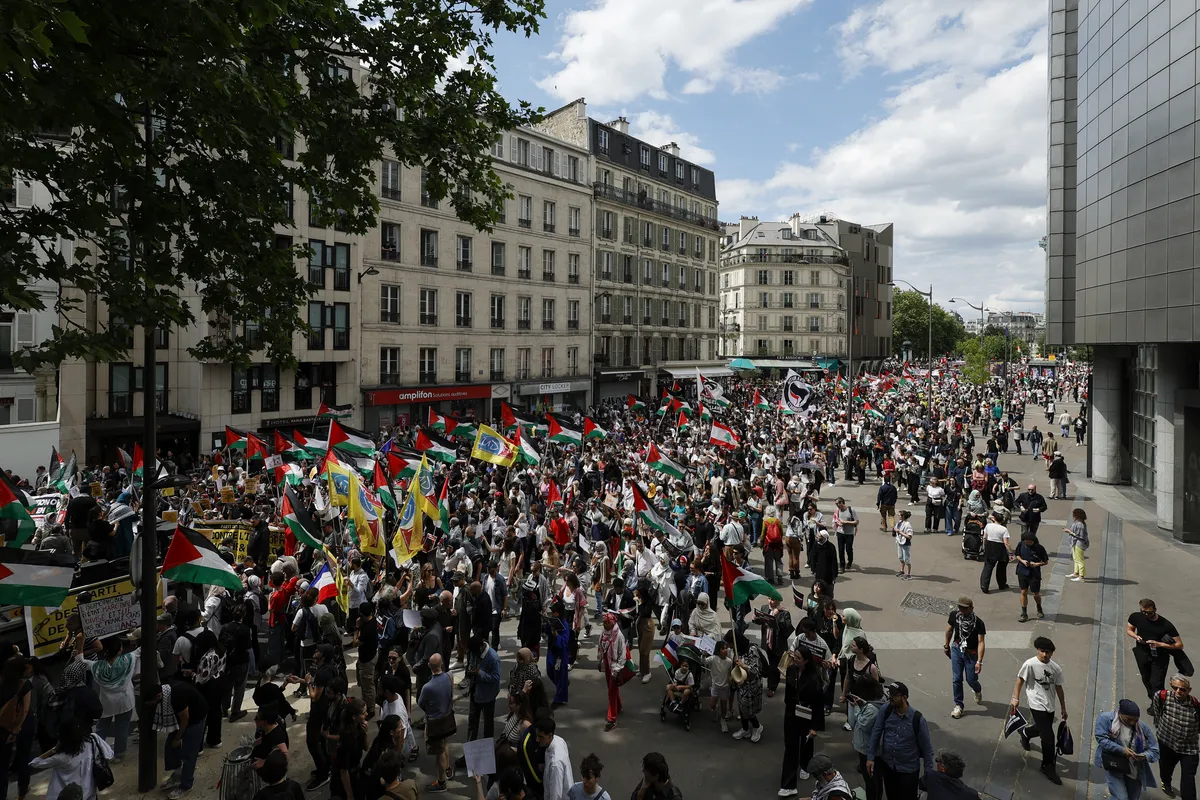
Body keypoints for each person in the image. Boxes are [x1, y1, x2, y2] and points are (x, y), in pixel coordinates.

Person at [1009, 636, 1068, 785]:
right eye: (1042, 651)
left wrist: (1063, 707)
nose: (1045, 655)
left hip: (1050, 705)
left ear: (1052, 653)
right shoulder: (1030, 664)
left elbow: (1059, 688)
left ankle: (1025, 733)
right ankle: (1047, 766)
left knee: (1042, 729)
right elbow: (1020, 680)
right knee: (1048, 737)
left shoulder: (1055, 668)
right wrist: (1015, 698)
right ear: (1038, 650)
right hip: (1036, 704)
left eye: (1048, 652)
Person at [865, 681, 934, 800]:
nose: (890, 697)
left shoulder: (917, 719)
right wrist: (870, 757)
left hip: (909, 771)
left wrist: (929, 774)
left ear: (904, 698)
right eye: (889, 693)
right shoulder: (886, 710)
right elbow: (876, 732)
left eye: (894, 695)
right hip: (889, 766)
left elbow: (927, 749)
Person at [28, 717, 111, 800]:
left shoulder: (62, 758)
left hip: (67, 796)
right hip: (89, 792)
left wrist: (54, 750)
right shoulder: (93, 739)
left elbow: (34, 763)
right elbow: (109, 754)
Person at [778, 646, 824, 796]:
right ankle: (788, 785)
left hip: (807, 715)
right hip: (791, 714)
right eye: (794, 656)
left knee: (806, 744)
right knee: (790, 748)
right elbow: (788, 693)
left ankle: (805, 765)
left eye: (798, 658)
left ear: (805, 660)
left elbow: (818, 704)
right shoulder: (791, 670)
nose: (794, 659)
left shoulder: (814, 678)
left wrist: (815, 727)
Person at [1095, 699, 1160, 800]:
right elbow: (1102, 739)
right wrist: (1122, 750)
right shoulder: (1106, 719)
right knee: (1121, 797)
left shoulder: (1142, 727)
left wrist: (1144, 756)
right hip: (1115, 764)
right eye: (1129, 719)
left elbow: (1155, 750)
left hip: (1134, 769)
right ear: (1120, 713)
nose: (1133, 722)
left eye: (1135, 720)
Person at [157, 679, 208, 800]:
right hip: (180, 718)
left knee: (189, 754)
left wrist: (178, 737)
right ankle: (177, 774)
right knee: (170, 746)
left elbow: (185, 718)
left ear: (158, 696)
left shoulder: (176, 696)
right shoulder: (165, 692)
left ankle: (186, 785)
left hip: (196, 717)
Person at [1150, 675, 1199, 800]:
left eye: (1182, 689)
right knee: (1166, 767)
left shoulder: (1195, 706)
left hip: (1188, 747)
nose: (1178, 691)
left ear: (1189, 690)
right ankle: (1166, 783)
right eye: (1175, 688)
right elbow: (1157, 713)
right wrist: (1160, 727)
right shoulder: (1162, 697)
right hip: (1166, 742)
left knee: (1188, 778)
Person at [1127, 599, 1185, 701]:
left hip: (1159, 657)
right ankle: (1153, 700)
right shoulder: (1135, 617)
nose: (1146, 615)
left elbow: (1179, 645)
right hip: (1142, 653)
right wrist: (1136, 637)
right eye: (1143, 612)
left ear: (1155, 610)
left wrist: (1160, 644)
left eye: (1149, 613)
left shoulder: (1165, 625)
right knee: (1146, 679)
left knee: (1156, 683)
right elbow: (1129, 630)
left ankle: (1159, 704)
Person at [418, 653, 455, 794]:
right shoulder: (449, 676)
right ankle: (447, 768)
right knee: (444, 743)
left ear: (429, 666)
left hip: (435, 723)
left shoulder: (428, 687)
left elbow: (421, 704)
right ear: (441, 665)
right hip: (447, 718)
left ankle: (441, 782)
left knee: (439, 752)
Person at [944, 597, 985, 720]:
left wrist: (979, 661)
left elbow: (981, 642)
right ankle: (958, 705)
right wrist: (946, 645)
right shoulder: (954, 616)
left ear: (971, 608)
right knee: (957, 679)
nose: (961, 610)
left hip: (971, 653)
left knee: (971, 679)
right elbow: (949, 630)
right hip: (957, 649)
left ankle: (977, 690)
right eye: (960, 607)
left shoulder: (978, 622)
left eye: (964, 608)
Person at [730, 630, 764, 742]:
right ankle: (745, 729)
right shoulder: (736, 650)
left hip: (752, 685)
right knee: (742, 707)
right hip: (741, 684)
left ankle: (757, 726)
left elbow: (756, 670)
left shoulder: (752, 650)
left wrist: (744, 665)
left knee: (749, 710)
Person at [331, 698, 367, 800]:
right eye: (364, 713)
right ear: (354, 717)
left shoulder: (359, 728)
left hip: (355, 773)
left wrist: (365, 733)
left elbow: (365, 747)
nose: (367, 714)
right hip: (345, 779)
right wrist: (350, 795)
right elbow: (344, 771)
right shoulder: (347, 738)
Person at [467, 636, 501, 742]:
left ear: (481, 647)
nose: (473, 655)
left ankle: (488, 750)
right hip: (475, 692)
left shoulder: (493, 658)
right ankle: (469, 750)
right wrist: (470, 671)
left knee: (488, 724)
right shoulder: (473, 651)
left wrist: (480, 673)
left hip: (488, 696)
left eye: (475, 652)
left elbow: (496, 678)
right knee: (472, 723)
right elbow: (471, 664)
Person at [597, 612, 626, 732]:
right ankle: (618, 706)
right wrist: (599, 660)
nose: (604, 624)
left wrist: (618, 669)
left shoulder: (619, 636)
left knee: (611, 692)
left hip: (615, 667)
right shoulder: (603, 633)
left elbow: (622, 655)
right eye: (603, 622)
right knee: (611, 688)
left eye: (606, 622)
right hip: (607, 664)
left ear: (612, 622)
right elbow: (600, 646)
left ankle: (612, 719)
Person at [1013, 531, 1049, 622]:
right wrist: (1022, 561)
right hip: (1022, 571)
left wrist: (1036, 564)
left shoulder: (1040, 548)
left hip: (1034, 573)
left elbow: (1045, 562)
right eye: (1025, 541)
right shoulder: (1021, 544)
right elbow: (1017, 555)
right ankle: (1024, 613)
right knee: (1023, 591)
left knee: (1035, 593)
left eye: (1028, 541)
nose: (1026, 543)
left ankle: (1039, 608)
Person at [978, 511, 1010, 593]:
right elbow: (1006, 542)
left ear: (994, 518)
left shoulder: (988, 526)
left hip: (990, 545)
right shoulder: (1004, 529)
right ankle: (1002, 584)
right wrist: (1010, 552)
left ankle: (984, 586)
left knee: (988, 566)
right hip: (1000, 547)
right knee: (1002, 567)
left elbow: (985, 537)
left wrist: (985, 546)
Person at [832, 498, 859, 572]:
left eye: (838, 503)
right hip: (840, 532)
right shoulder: (837, 511)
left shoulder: (851, 510)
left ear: (842, 503)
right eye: (836, 504)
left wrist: (846, 522)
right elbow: (835, 520)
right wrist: (838, 523)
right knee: (841, 550)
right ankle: (842, 566)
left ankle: (850, 561)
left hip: (849, 533)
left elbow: (856, 521)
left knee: (848, 549)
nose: (837, 505)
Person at [1066, 508, 1089, 581]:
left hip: (1079, 543)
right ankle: (1076, 572)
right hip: (1075, 542)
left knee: (1079, 560)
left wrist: (1069, 531)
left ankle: (1081, 576)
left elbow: (1080, 535)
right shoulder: (1079, 522)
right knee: (1075, 558)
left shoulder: (1080, 524)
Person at [892, 509, 914, 580]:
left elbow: (909, 536)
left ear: (903, 516)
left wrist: (899, 532)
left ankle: (908, 574)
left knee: (906, 559)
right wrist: (894, 530)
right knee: (900, 557)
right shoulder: (899, 522)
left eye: (899, 515)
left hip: (905, 543)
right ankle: (902, 571)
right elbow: (896, 528)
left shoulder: (908, 525)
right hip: (899, 542)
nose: (898, 516)